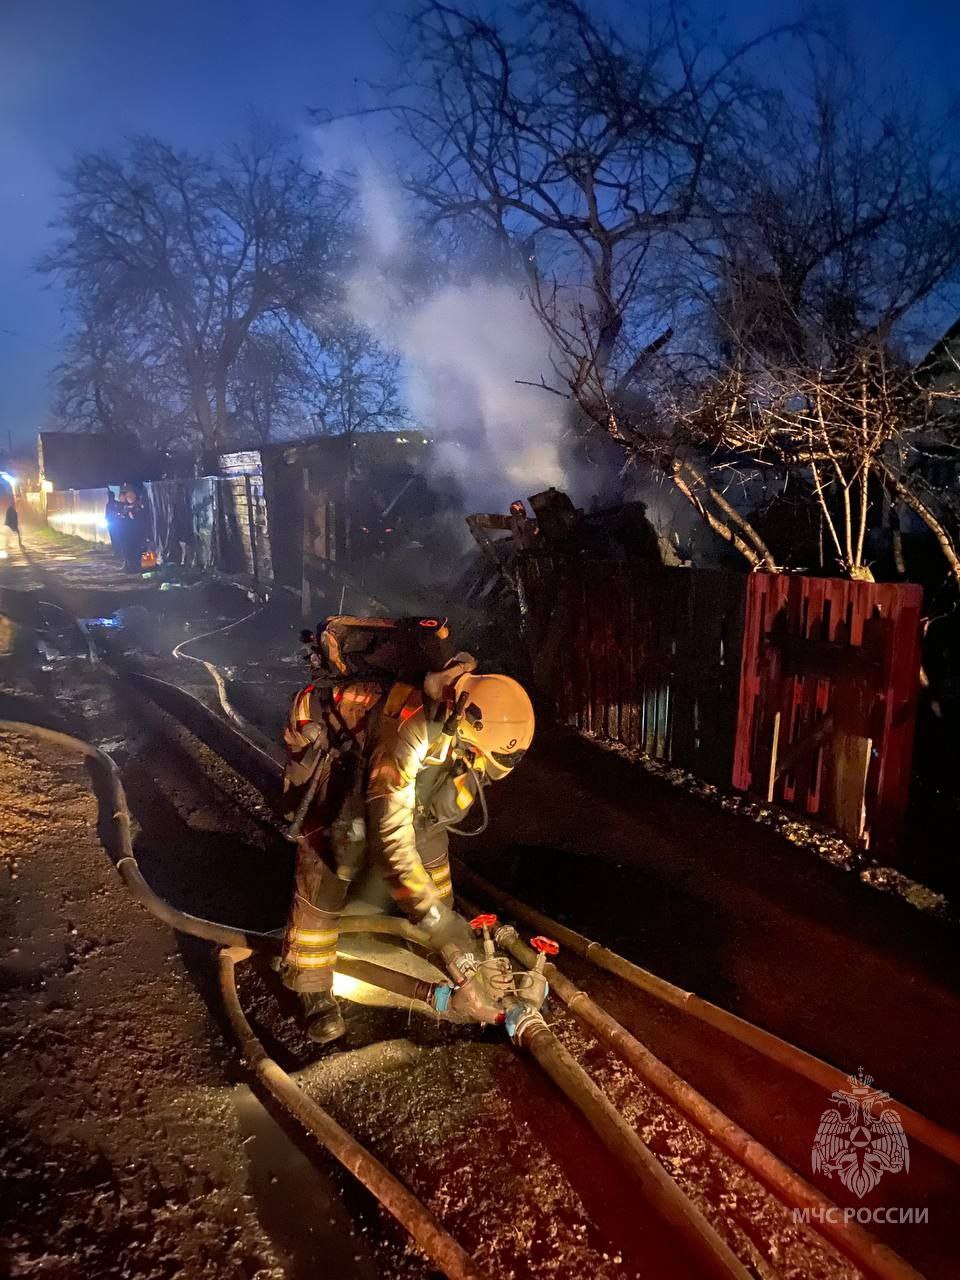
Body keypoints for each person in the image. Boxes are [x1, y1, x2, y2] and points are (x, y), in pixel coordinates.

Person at [279, 626, 535, 1044]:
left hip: (413, 770)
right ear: (463, 733)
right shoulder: (409, 730)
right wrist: (439, 922)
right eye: (479, 763)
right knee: (328, 858)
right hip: (340, 753)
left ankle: (438, 951)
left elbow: (429, 811)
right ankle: (312, 987)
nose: (482, 774)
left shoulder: (468, 708)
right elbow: (389, 840)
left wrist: (448, 932)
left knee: (431, 854)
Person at [104, 489, 124, 559]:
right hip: (111, 524)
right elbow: (106, 514)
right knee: (114, 538)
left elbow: (120, 512)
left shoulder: (117, 504)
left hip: (116, 524)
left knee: (117, 538)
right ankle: (116, 552)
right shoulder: (108, 504)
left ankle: (119, 552)